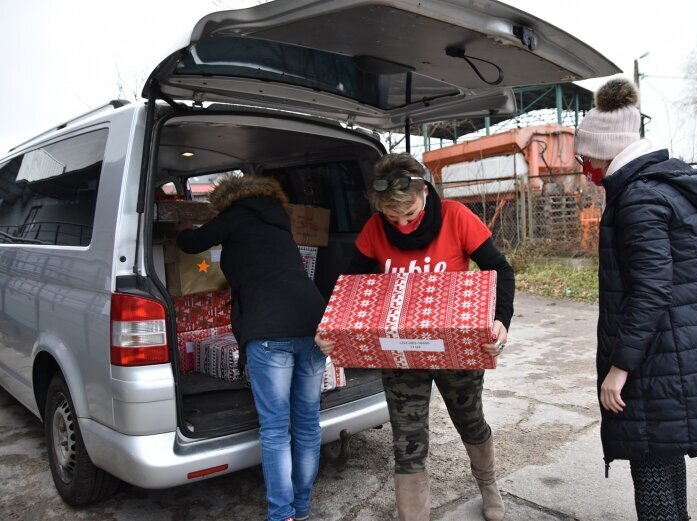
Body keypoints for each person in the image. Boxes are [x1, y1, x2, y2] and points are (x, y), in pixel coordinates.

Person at [574, 77, 697, 521]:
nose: (583, 164)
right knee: (663, 458)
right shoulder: (666, 184)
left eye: (585, 154)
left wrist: (619, 368)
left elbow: (651, 290)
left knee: (652, 473)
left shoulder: (639, 198)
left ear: (607, 149)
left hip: (660, 358)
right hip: (681, 349)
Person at [316, 153, 515, 521]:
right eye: (393, 218)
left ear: (425, 191)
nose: (403, 225)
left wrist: (500, 320)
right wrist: (330, 331)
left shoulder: (455, 217)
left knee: (470, 421)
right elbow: (351, 289)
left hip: (454, 348)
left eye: (410, 214)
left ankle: (488, 484)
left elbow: (499, 268)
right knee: (407, 442)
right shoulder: (375, 229)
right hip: (400, 353)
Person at [177, 175, 326, 521]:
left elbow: (191, 243)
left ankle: (281, 515)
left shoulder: (234, 216)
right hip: (312, 321)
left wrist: (183, 225)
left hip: (269, 328)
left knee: (275, 428)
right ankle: (300, 509)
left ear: (227, 199)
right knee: (307, 424)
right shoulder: (279, 219)